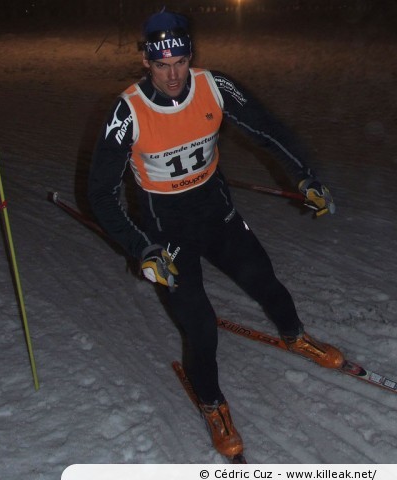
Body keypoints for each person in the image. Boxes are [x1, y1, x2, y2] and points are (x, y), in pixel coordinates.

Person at [88, 9, 343, 458]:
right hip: (166, 232)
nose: (173, 75)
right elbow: (101, 194)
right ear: (146, 62)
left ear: (191, 56)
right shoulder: (127, 111)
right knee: (201, 327)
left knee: (265, 280)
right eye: (162, 65)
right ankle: (212, 404)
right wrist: (140, 248)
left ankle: (294, 334)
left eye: (181, 62)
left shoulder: (214, 86)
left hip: (216, 214)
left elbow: (271, 129)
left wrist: (305, 176)